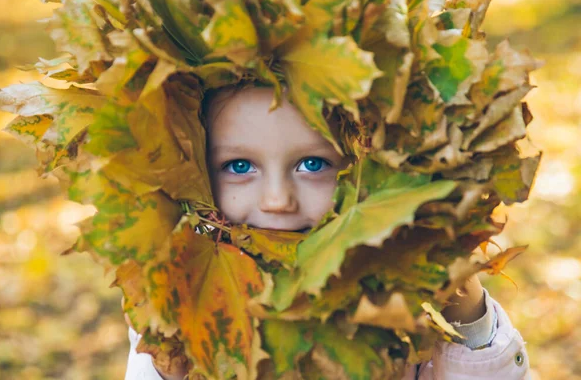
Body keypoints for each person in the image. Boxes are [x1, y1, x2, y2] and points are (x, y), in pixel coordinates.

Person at [124, 86, 530, 380]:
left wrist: (469, 320)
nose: (277, 200)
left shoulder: (390, 296)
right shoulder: (186, 299)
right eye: (240, 166)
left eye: (313, 165)